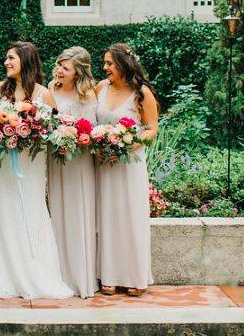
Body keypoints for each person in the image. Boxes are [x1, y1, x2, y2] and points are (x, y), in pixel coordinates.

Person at [0, 42, 73, 300]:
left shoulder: (43, 94)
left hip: (31, 163)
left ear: (25, 61)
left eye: (11, 58)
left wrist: (32, 131)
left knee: (31, 210)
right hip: (1, 164)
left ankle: (35, 271)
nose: (6, 62)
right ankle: (2, 273)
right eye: (6, 58)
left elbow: (53, 131)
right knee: (3, 208)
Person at [94, 43, 159, 297]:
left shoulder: (141, 93)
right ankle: (108, 275)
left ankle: (135, 277)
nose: (105, 68)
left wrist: (130, 140)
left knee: (131, 218)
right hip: (105, 165)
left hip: (130, 164)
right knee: (107, 218)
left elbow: (152, 129)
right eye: (105, 63)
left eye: (109, 63)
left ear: (122, 64)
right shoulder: (99, 88)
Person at [47, 46, 99, 298]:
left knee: (79, 214)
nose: (59, 70)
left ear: (78, 72)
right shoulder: (50, 90)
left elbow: (91, 131)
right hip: (56, 161)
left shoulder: (87, 96)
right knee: (57, 212)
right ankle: (59, 276)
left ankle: (81, 278)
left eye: (65, 68)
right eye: (58, 65)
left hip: (79, 162)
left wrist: (77, 135)